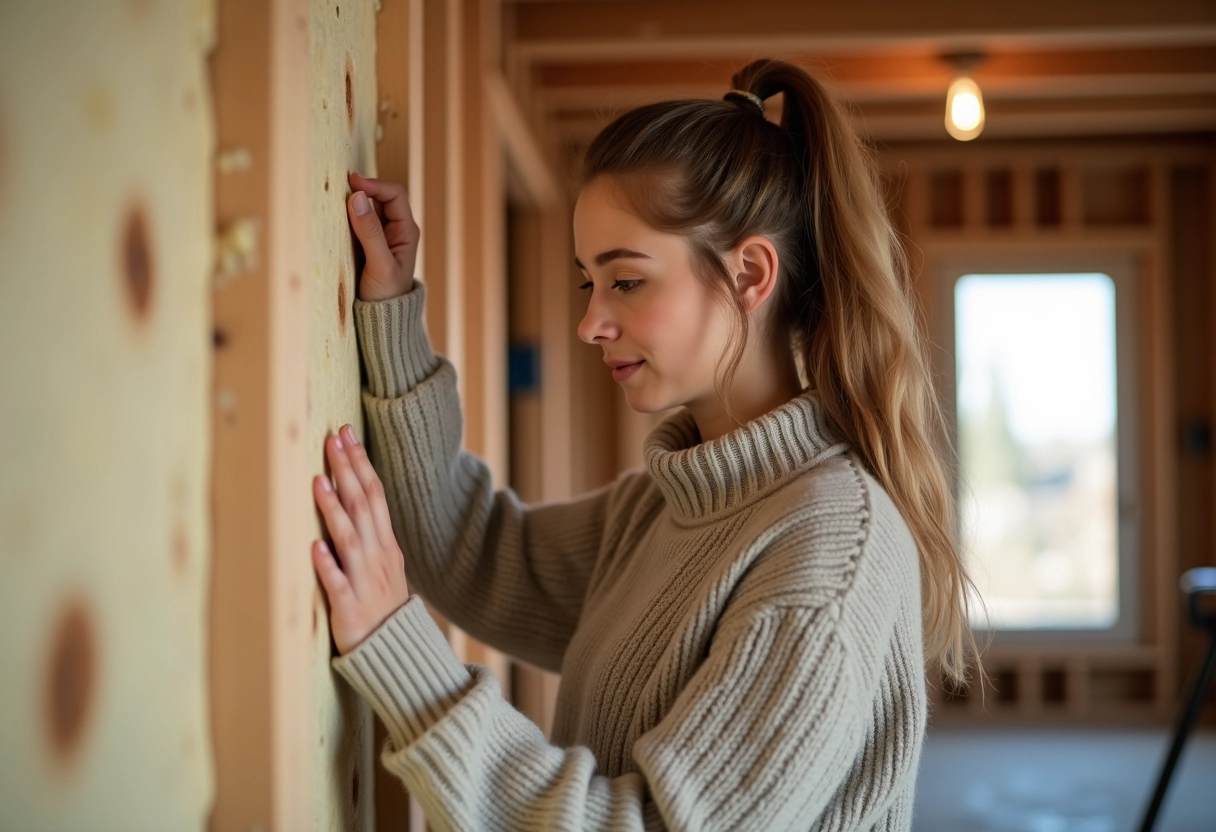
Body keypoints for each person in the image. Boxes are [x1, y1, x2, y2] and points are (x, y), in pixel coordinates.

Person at [310, 58, 984, 831]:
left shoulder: (831, 552)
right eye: (586, 283)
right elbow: (469, 551)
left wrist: (404, 661)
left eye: (626, 281)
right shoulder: (667, 507)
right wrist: (392, 309)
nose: (590, 322)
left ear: (749, 274)